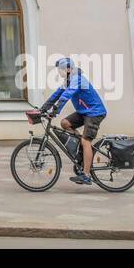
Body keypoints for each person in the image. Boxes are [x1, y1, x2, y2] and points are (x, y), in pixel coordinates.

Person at [39, 57, 108, 186]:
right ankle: (82, 147)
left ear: (69, 69)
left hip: (95, 112)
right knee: (65, 123)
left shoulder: (77, 79)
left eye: (61, 69)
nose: (59, 72)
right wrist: (43, 109)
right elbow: (57, 94)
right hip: (84, 112)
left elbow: (67, 95)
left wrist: (55, 111)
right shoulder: (68, 81)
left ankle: (86, 175)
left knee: (86, 141)